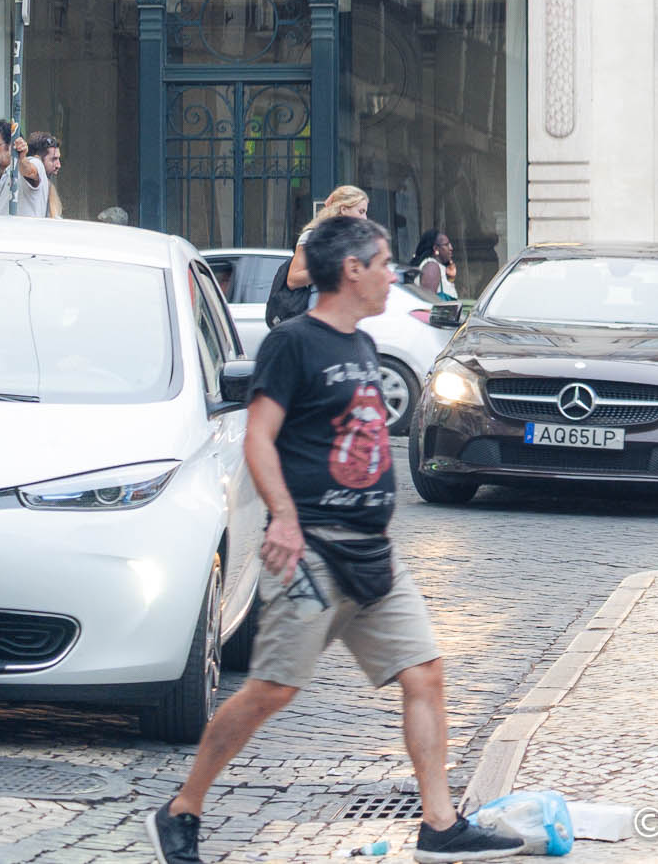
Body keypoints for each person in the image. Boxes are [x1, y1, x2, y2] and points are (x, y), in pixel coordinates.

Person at [146, 215, 522, 864]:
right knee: (273, 689)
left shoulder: (364, 348)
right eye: (381, 262)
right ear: (351, 269)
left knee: (425, 672)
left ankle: (439, 824)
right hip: (312, 548)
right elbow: (260, 436)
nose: (391, 275)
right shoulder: (293, 343)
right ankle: (181, 809)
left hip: (372, 552)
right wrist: (285, 518)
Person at [271, 187, 370, 327]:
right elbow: (293, 279)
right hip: (322, 312)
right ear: (344, 209)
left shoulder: (355, 240)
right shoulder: (312, 236)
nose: (365, 218)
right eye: (361, 212)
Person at [11, 130, 60, 219]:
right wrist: (22, 158)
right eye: (53, 159)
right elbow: (29, 170)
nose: (58, 165)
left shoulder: (47, 185)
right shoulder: (37, 163)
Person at [410, 229, 458, 300]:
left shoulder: (437, 266)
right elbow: (429, 302)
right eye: (446, 245)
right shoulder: (432, 267)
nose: (451, 248)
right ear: (435, 248)